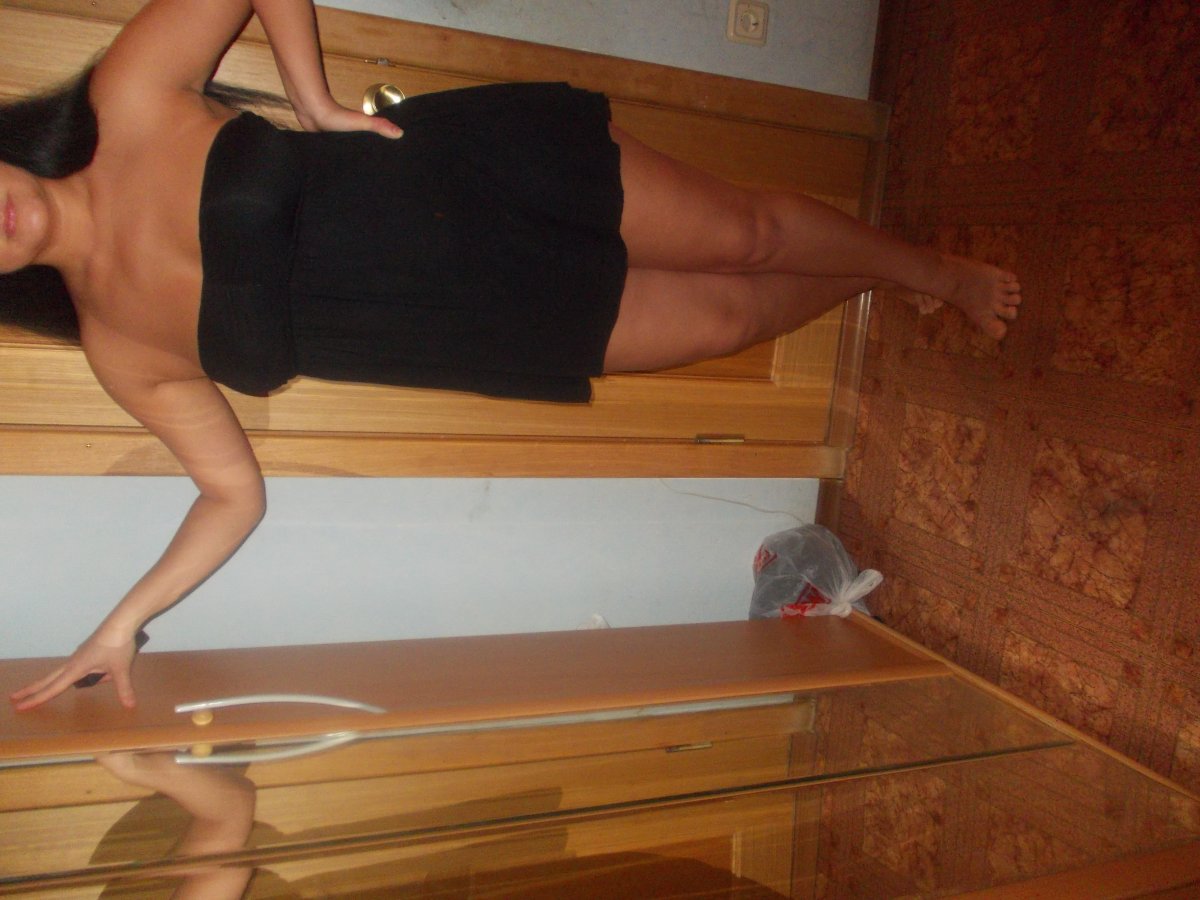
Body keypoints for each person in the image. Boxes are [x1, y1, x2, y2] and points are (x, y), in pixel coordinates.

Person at [4, 0, 1020, 711]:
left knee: (744, 237)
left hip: (469, 179)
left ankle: (929, 270)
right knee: (722, 323)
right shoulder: (119, 349)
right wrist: (120, 625)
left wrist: (311, 103)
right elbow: (231, 495)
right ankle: (870, 275)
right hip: (469, 325)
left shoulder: (125, 97)